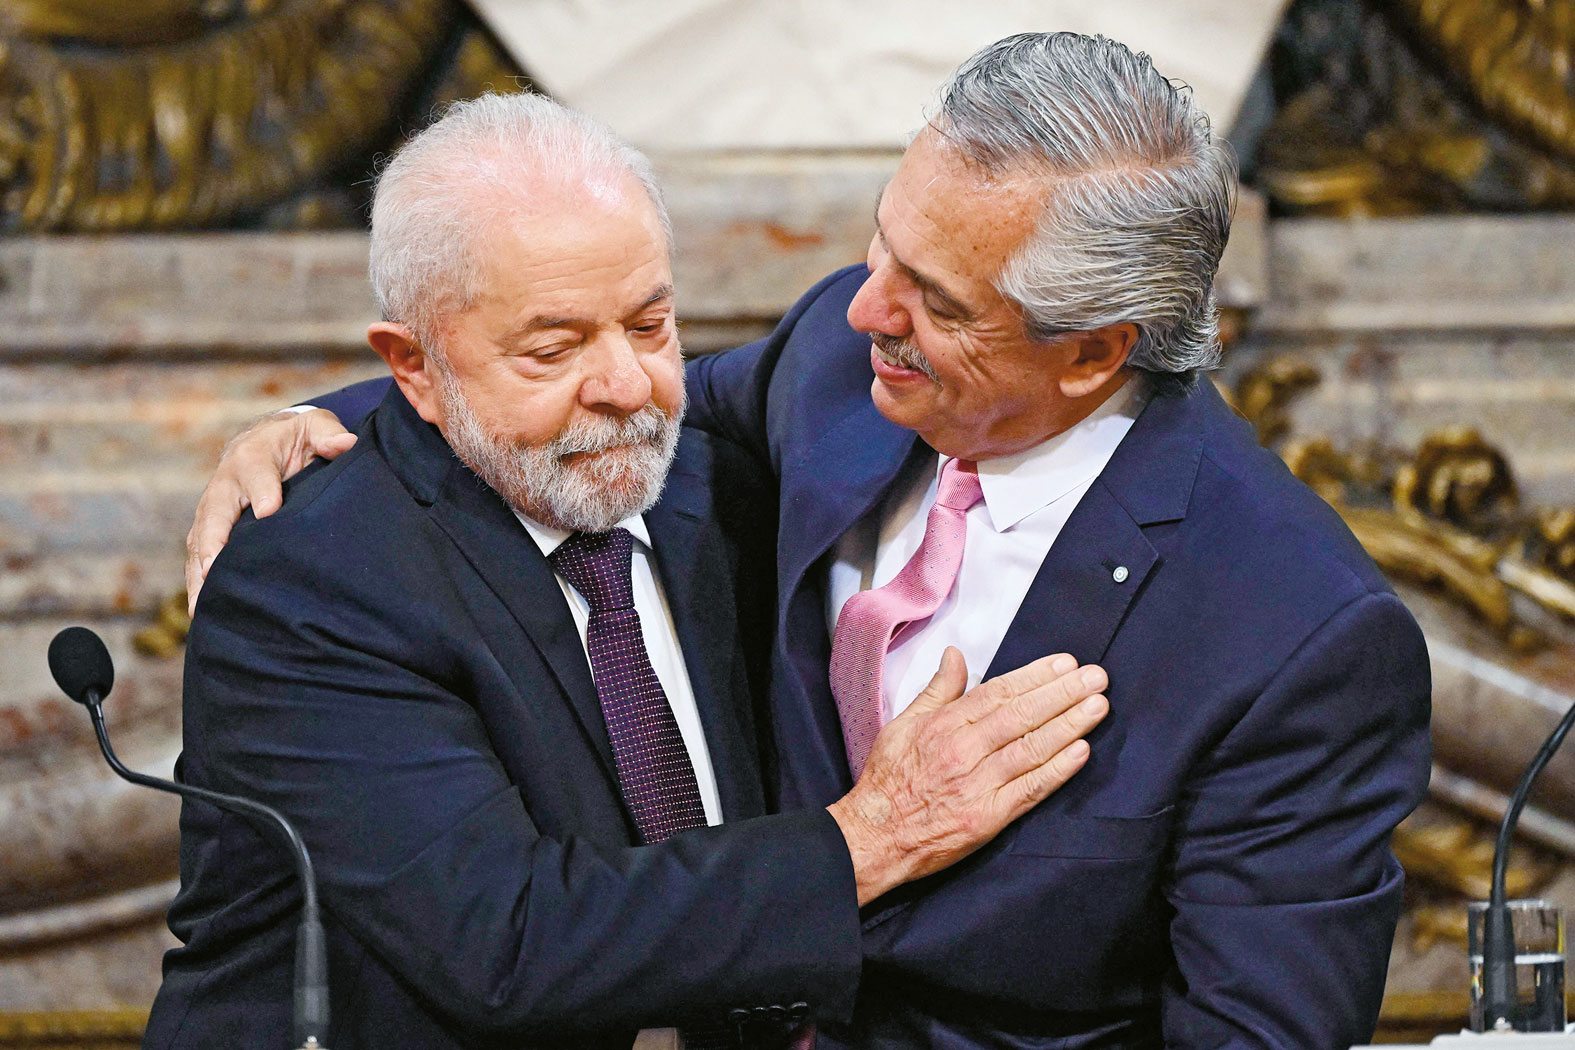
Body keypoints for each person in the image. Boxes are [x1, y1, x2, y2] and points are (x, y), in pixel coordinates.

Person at [188, 34, 1433, 1050]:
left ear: (1093, 350)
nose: (867, 307)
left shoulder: (1292, 632)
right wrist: (322, 427)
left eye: (937, 302)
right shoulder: (840, 368)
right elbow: (596, 408)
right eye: (885, 245)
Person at [154, 91, 1113, 1050]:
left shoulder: (717, 480)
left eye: (650, 326)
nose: (627, 387)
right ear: (415, 367)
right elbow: (507, 945)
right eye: (553, 349)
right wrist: (875, 836)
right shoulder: (308, 583)